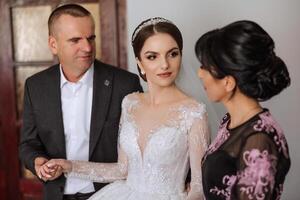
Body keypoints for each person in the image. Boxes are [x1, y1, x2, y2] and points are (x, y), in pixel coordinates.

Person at [46, 17, 210, 200]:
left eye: (172, 54)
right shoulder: (130, 103)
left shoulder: (193, 112)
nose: (165, 64)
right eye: (152, 56)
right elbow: (121, 170)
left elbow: (199, 186)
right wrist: (69, 166)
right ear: (139, 62)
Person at [19, 4, 142, 200]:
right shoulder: (35, 86)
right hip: (55, 194)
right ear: (53, 44)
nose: (87, 47)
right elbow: (28, 144)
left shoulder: (125, 84)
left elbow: (141, 150)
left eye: (91, 38)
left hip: (110, 194)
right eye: (75, 40)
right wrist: (37, 161)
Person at [195, 20, 291, 200]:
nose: (200, 74)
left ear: (228, 82)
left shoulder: (260, 138)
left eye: (205, 67)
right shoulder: (230, 121)